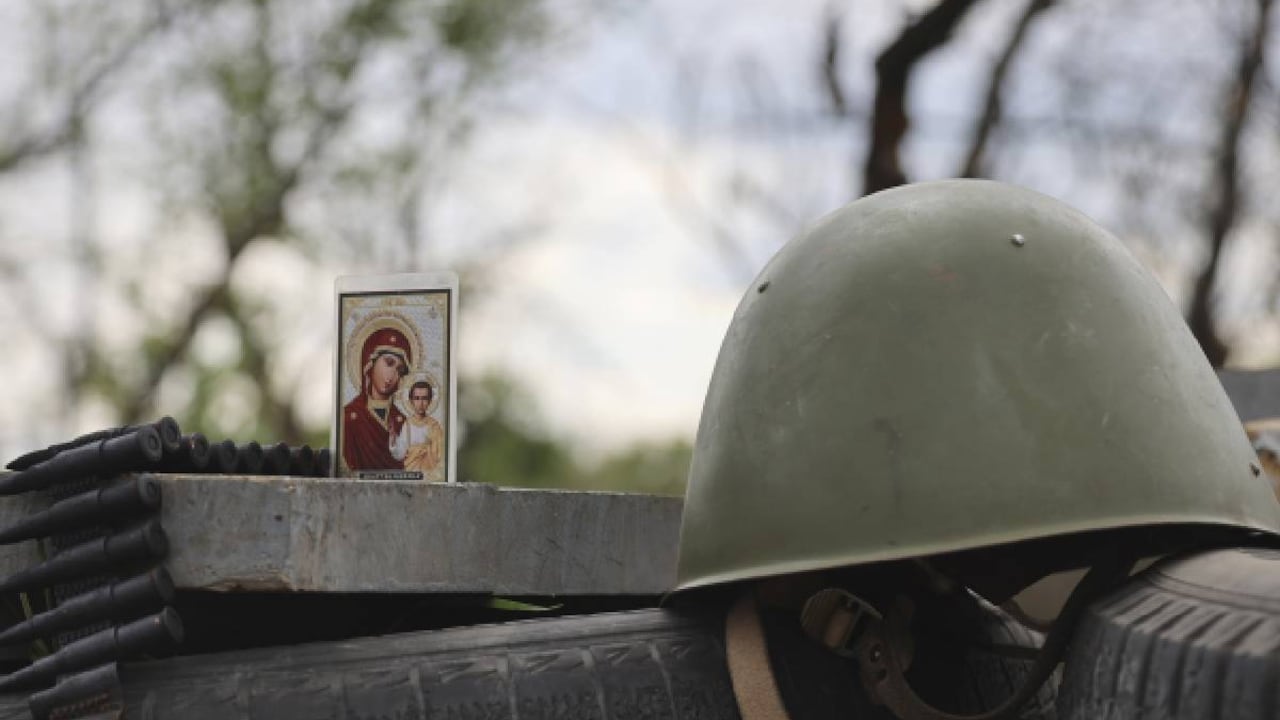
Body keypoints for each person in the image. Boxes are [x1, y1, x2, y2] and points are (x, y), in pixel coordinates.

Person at [341, 325, 412, 472]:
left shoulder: (402, 421)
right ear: (369, 363)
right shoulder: (349, 417)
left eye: (399, 370)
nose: (392, 375)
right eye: (389, 363)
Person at [390, 378, 445, 481]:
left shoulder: (434, 426)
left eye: (424, 398)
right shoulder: (407, 425)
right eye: (417, 398)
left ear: (429, 401)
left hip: (429, 476)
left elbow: (440, 455)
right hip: (411, 475)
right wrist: (393, 441)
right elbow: (401, 453)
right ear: (411, 401)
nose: (421, 403)